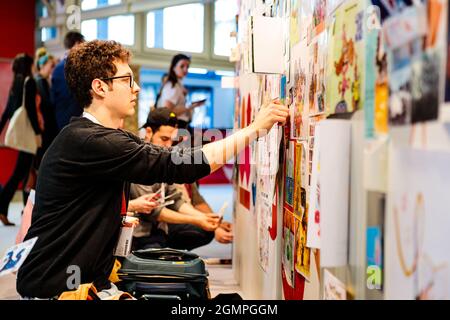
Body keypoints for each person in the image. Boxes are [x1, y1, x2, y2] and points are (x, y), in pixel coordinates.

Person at [16, 39, 288, 299]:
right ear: (99, 87)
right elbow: (181, 165)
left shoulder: (102, 137)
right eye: (126, 80)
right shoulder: (91, 140)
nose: (135, 88)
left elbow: (180, 160)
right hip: (58, 286)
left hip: (83, 279)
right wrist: (254, 130)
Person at [129, 108, 231, 251]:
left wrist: (208, 219)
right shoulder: (139, 159)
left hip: (161, 229)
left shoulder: (165, 157)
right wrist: (199, 219)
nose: (169, 145)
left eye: (172, 140)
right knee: (160, 263)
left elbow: (178, 199)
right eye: (164, 139)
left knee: (204, 230)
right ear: (149, 132)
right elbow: (155, 212)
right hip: (139, 234)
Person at [0, 54, 43, 226]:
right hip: (28, 136)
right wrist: (38, 133)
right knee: (23, 173)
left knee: (23, 173)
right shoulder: (29, 82)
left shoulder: (16, 83)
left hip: (21, 135)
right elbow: (31, 111)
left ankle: (8, 207)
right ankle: (4, 206)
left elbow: (8, 111)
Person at [156, 53, 205, 129]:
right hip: (176, 125)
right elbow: (169, 111)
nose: (185, 69)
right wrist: (190, 106)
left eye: (187, 67)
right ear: (174, 67)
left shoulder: (177, 85)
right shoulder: (172, 86)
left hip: (180, 124)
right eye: (182, 66)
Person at [51, 31, 85, 131]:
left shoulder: (57, 68)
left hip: (61, 117)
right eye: (82, 44)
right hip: (72, 118)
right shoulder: (74, 67)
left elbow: (53, 97)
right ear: (76, 44)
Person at [34, 47, 57, 167]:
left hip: (46, 125)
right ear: (42, 66)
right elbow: (47, 103)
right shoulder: (41, 81)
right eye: (51, 66)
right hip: (46, 126)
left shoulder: (42, 80)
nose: (52, 69)